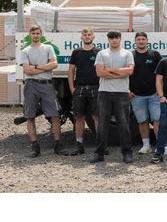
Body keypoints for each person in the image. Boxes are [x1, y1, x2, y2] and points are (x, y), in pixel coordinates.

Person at [20, 24, 68, 157]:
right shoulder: (26, 51)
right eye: (33, 33)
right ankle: (35, 146)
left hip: (47, 85)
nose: (35, 35)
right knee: (30, 115)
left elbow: (54, 64)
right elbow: (27, 70)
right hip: (31, 85)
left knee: (55, 115)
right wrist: (44, 66)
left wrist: (35, 66)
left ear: (41, 34)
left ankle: (58, 145)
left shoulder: (48, 48)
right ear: (30, 35)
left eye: (37, 33)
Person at [90, 30, 135, 164]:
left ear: (120, 39)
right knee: (102, 125)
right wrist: (120, 73)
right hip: (104, 93)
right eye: (111, 38)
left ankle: (127, 153)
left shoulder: (127, 54)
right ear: (108, 40)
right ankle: (99, 152)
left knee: (124, 125)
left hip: (121, 93)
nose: (114, 40)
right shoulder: (102, 54)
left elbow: (130, 71)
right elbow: (99, 72)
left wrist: (109, 69)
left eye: (116, 38)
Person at [129, 32, 167, 155]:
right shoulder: (130, 55)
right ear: (135, 41)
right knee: (142, 121)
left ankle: (162, 145)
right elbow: (126, 75)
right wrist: (128, 91)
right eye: (138, 39)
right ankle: (146, 145)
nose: (141, 41)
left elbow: (161, 74)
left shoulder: (154, 54)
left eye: (143, 39)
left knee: (158, 120)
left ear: (147, 40)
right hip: (137, 95)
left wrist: (160, 90)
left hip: (154, 95)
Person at [68, 27, 102, 156]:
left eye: (89, 34)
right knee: (79, 117)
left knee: (97, 117)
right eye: (84, 35)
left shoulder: (99, 52)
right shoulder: (76, 52)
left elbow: (103, 70)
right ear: (81, 38)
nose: (87, 36)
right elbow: (71, 71)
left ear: (93, 37)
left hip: (96, 88)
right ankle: (79, 145)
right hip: (80, 89)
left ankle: (100, 145)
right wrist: (72, 88)